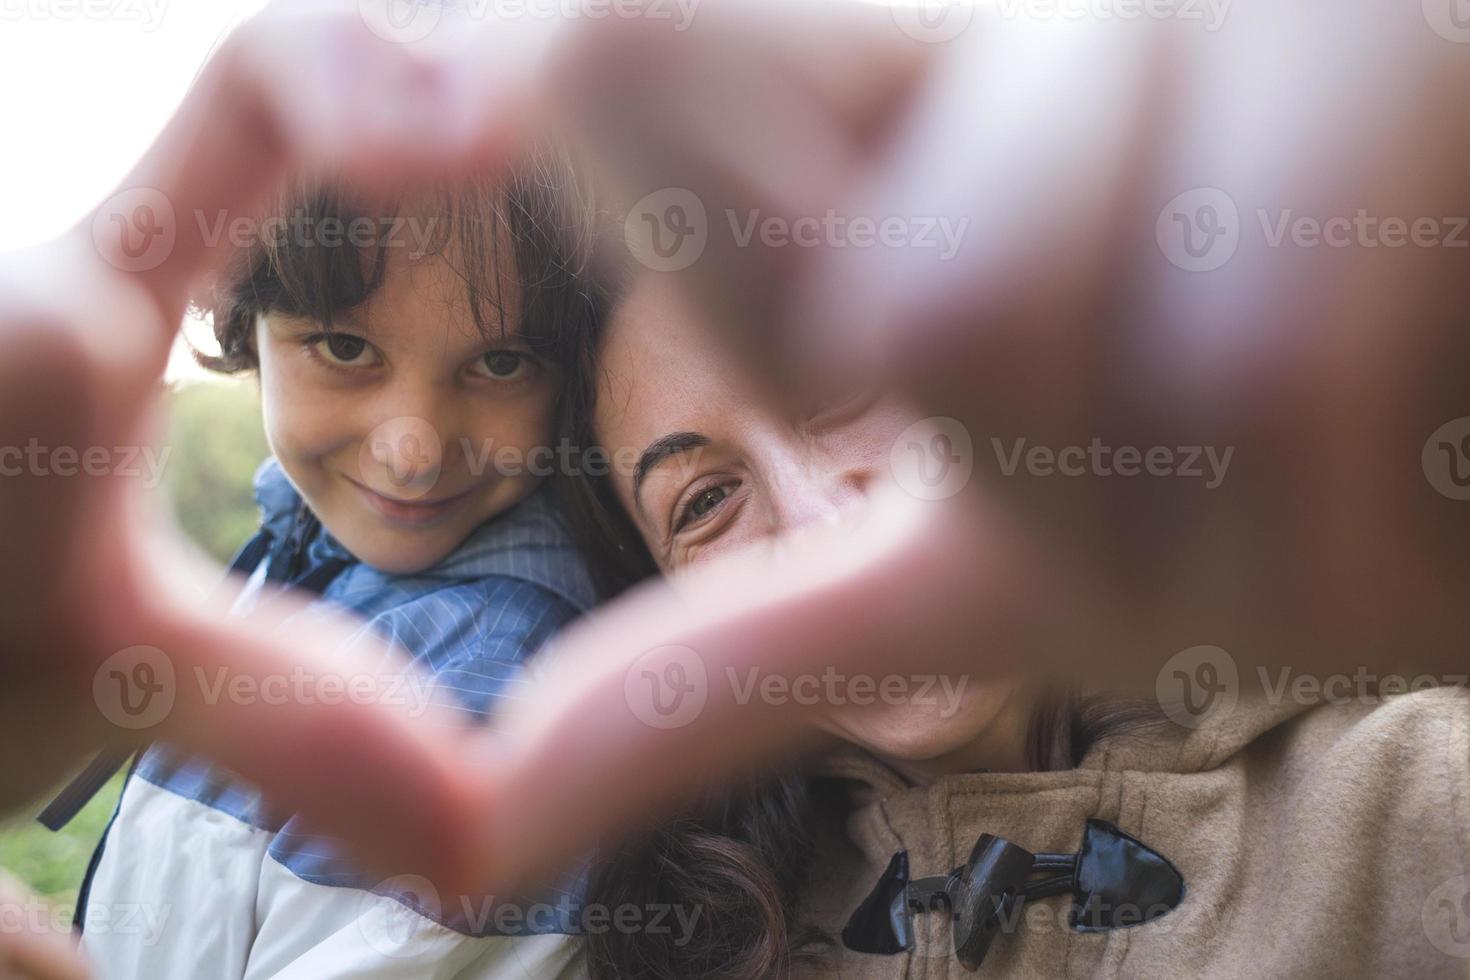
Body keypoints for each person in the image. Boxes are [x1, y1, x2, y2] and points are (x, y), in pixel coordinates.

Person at [558, 273, 1470, 979]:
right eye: (706, 502)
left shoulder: (1424, 796)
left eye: (840, 390)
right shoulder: (702, 944)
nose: (822, 524)